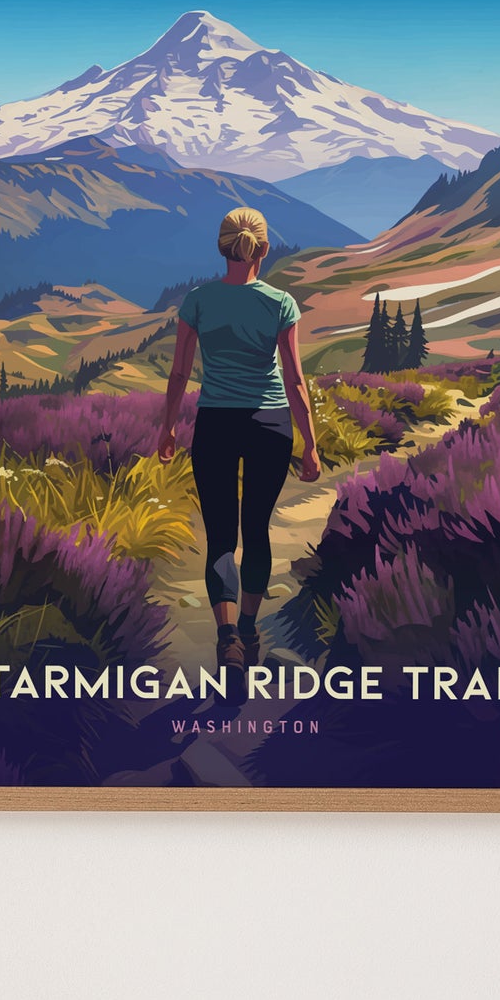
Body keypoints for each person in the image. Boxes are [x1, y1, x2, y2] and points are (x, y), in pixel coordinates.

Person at [157, 206, 321, 673]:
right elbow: (294, 380)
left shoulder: (197, 300)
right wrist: (309, 441)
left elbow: (180, 371)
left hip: (215, 424)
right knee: (257, 529)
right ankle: (249, 630)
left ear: (221, 247)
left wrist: (168, 426)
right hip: (269, 424)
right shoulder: (282, 303)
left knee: (222, 536)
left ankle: (226, 637)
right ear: (263, 250)